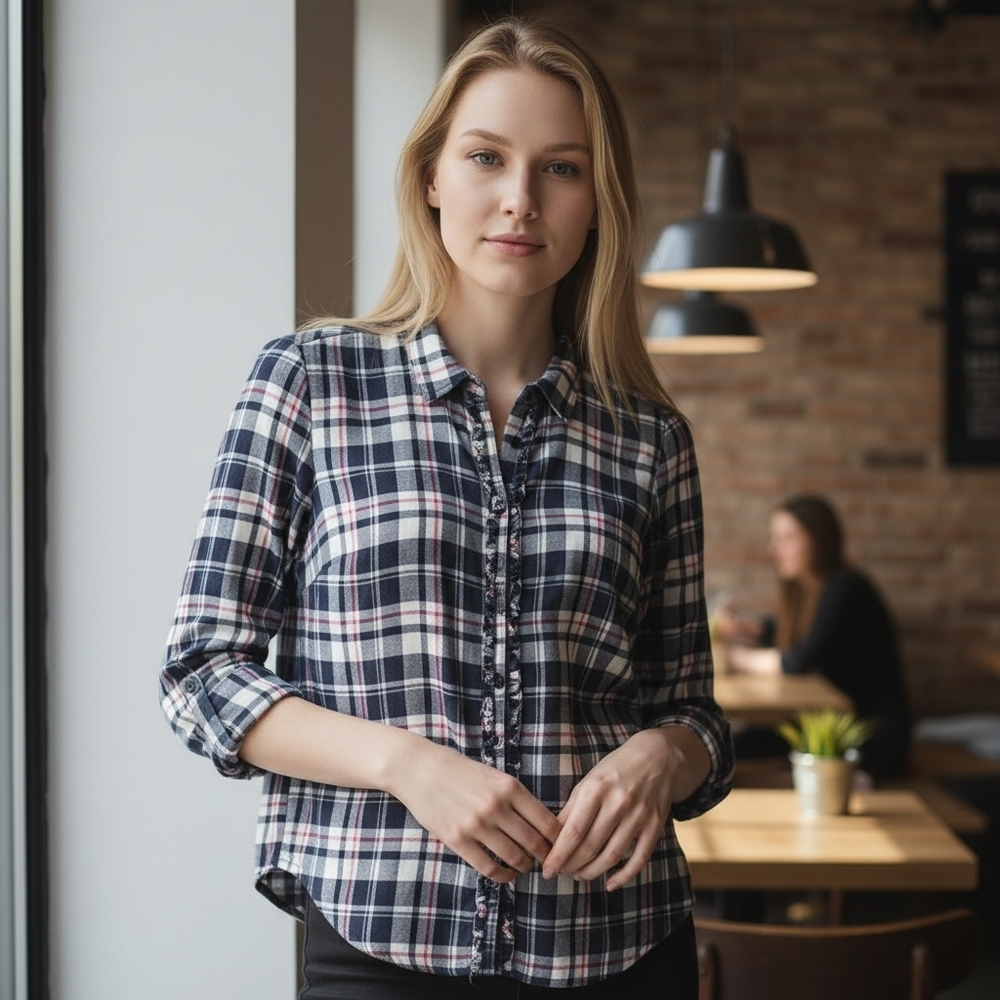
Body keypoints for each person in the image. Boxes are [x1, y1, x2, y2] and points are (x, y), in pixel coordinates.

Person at [160, 18, 732, 998]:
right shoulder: (309, 381)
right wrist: (405, 763)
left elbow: (693, 711)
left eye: (560, 168)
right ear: (430, 176)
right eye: (485, 157)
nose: (519, 199)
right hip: (380, 944)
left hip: (619, 946)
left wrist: (663, 754)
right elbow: (202, 675)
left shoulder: (649, 439)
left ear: (598, 201)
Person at [720, 494, 910, 779]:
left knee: (743, 753)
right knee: (743, 744)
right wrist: (753, 628)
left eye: (787, 538)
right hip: (831, 728)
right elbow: (799, 634)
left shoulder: (847, 589)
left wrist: (737, 659)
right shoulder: (816, 591)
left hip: (864, 740)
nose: (774, 549)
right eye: (775, 538)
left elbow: (798, 661)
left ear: (819, 539)